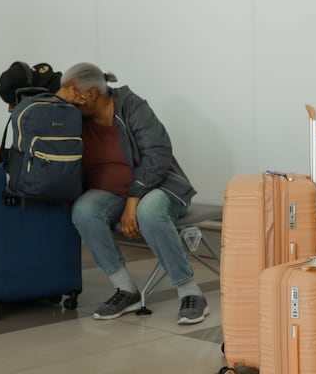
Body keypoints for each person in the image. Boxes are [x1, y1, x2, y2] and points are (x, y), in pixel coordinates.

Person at [55, 62, 209, 324]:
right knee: (84, 211)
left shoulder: (132, 106)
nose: (70, 103)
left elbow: (158, 153)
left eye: (73, 96)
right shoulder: (76, 116)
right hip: (112, 193)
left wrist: (133, 200)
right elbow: (46, 116)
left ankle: (190, 292)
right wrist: (56, 99)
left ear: (91, 94)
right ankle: (126, 290)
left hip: (159, 187)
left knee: (149, 212)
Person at [0, 61, 61, 164]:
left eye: (13, 102)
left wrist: (2, 157)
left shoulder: (58, 110)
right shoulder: (50, 100)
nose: (10, 109)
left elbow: (47, 166)